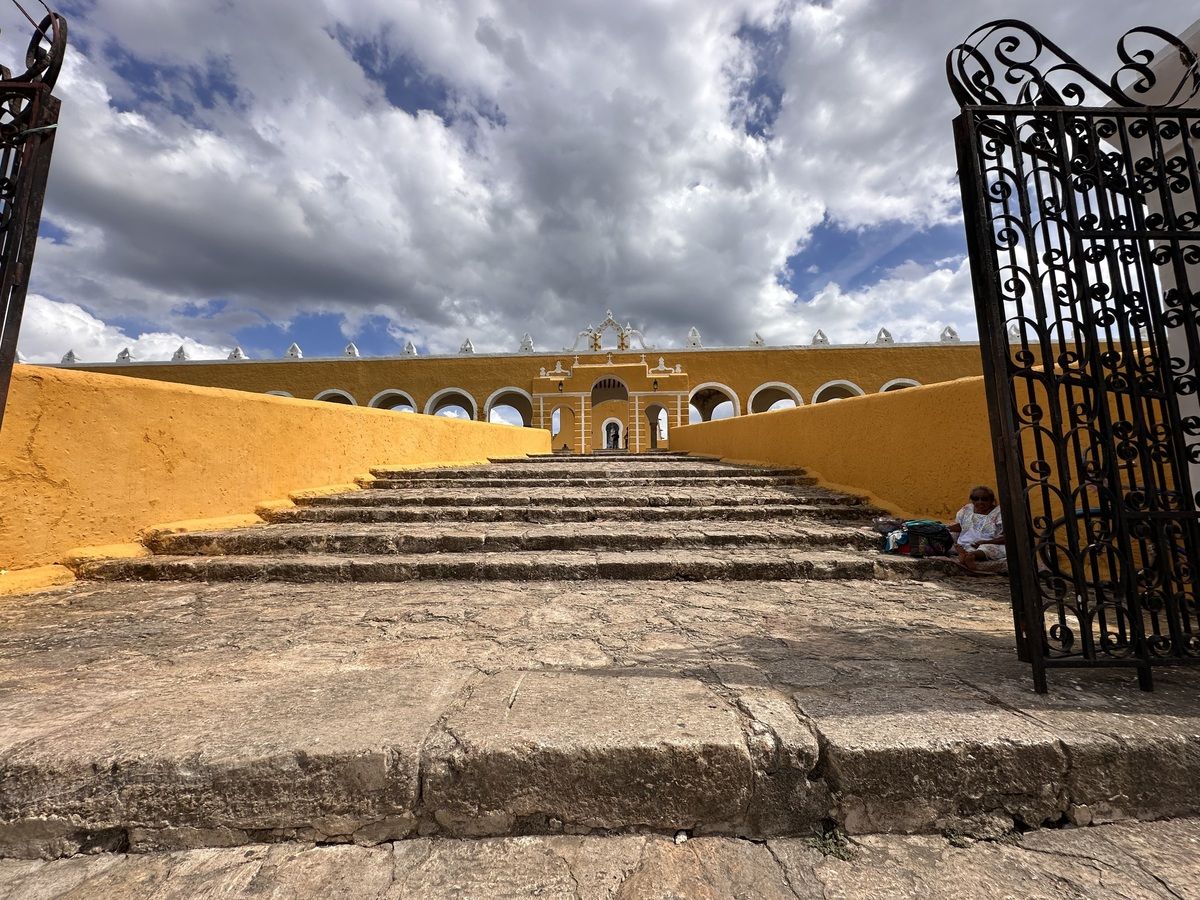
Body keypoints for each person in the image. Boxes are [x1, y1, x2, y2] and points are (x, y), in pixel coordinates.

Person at [948, 486, 1006, 571]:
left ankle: (970, 556)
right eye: (975, 499)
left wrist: (986, 542)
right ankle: (965, 553)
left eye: (984, 499)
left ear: (992, 500)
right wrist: (944, 528)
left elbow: (1007, 537)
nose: (980, 502)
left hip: (990, 543)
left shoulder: (999, 513)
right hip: (966, 543)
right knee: (947, 538)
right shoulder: (967, 509)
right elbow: (962, 525)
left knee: (986, 549)